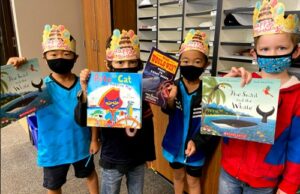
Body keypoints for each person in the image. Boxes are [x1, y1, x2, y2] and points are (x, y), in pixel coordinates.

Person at [218, 0, 300, 194]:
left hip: (264, 181)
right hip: (229, 172)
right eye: (265, 49)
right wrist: (226, 87)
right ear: (254, 53)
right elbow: (220, 120)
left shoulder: (297, 95)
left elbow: (297, 146)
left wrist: (288, 186)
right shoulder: (247, 82)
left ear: (295, 51)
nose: (272, 54)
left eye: (281, 48)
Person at [10, 24, 100, 194]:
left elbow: (94, 113)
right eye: (54, 54)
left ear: (75, 57)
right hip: (53, 149)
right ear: (45, 58)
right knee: (53, 186)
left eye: (66, 54)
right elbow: (13, 101)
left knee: (90, 174)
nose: (60, 58)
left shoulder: (83, 85)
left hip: (82, 144)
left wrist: (95, 139)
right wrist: (11, 71)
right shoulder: (39, 88)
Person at [162, 29, 252, 194]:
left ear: (206, 64)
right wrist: (169, 99)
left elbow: (214, 118)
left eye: (197, 62)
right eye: (186, 61)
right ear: (179, 62)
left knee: (193, 180)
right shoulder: (173, 85)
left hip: (198, 145)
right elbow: (167, 110)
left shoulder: (209, 89)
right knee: (178, 176)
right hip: (174, 144)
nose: (191, 65)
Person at [75, 29, 156, 194]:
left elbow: (148, 125)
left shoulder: (140, 90)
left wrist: (148, 154)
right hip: (112, 156)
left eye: (132, 62)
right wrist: (85, 91)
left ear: (138, 64)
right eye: (120, 63)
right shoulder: (100, 88)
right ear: (109, 64)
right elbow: (83, 120)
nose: (126, 67)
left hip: (137, 157)